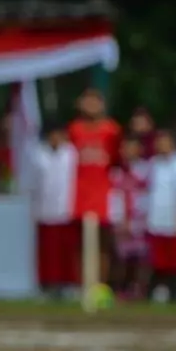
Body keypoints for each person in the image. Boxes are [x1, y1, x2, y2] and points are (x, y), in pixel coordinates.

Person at [67, 88, 121, 282]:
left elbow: (117, 159)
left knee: (104, 242)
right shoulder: (74, 129)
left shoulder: (111, 130)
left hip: (103, 192)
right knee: (80, 243)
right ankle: (81, 284)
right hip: (80, 193)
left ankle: (102, 284)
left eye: (95, 101)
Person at [145, 131, 176, 305]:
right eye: (159, 143)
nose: (161, 146)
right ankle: (162, 289)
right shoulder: (153, 164)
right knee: (160, 259)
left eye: (165, 142)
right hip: (156, 216)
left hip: (174, 216)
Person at [31, 125, 78, 298]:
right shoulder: (39, 155)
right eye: (52, 135)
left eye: (58, 135)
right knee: (47, 252)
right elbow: (34, 183)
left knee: (66, 250)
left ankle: (68, 284)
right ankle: (46, 285)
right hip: (45, 209)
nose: (55, 139)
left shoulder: (71, 154)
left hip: (66, 208)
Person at [109, 136, 150, 300]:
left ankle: (139, 289)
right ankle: (120, 288)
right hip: (121, 219)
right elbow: (113, 196)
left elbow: (148, 194)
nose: (127, 152)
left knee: (141, 257)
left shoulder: (146, 169)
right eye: (124, 148)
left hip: (140, 219)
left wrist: (142, 217)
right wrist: (118, 218)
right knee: (121, 257)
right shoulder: (116, 172)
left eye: (131, 148)